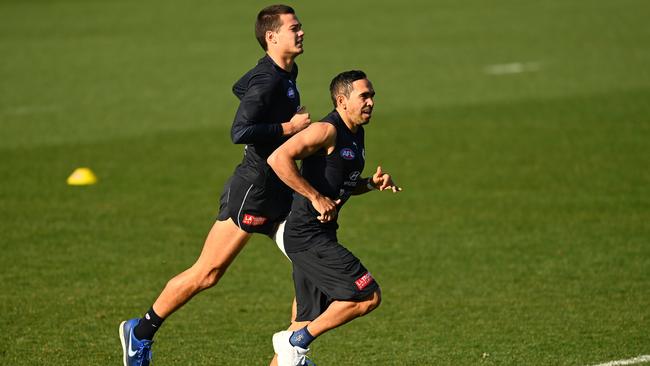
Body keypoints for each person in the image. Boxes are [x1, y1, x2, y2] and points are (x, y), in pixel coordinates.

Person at [119, 5, 310, 366]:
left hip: (282, 189)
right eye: (294, 28)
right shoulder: (268, 81)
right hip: (255, 191)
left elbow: (241, 86)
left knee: (311, 264)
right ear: (272, 37)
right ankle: (139, 332)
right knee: (207, 273)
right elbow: (240, 131)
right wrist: (289, 128)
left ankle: (291, 354)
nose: (302, 33)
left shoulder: (283, 72)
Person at [267, 70, 401, 366]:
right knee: (367, 295)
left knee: (306, 319)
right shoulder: (326, 130)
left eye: (372, 96)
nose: (371, 102)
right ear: (342, 101)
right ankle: (295, 342)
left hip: (321, 235)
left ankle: (294, 341)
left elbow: (338, 182)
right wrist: (314, 197)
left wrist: (369, 184)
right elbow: (278, 159)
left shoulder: (356, 132)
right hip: (306, 236)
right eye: (364, 96)